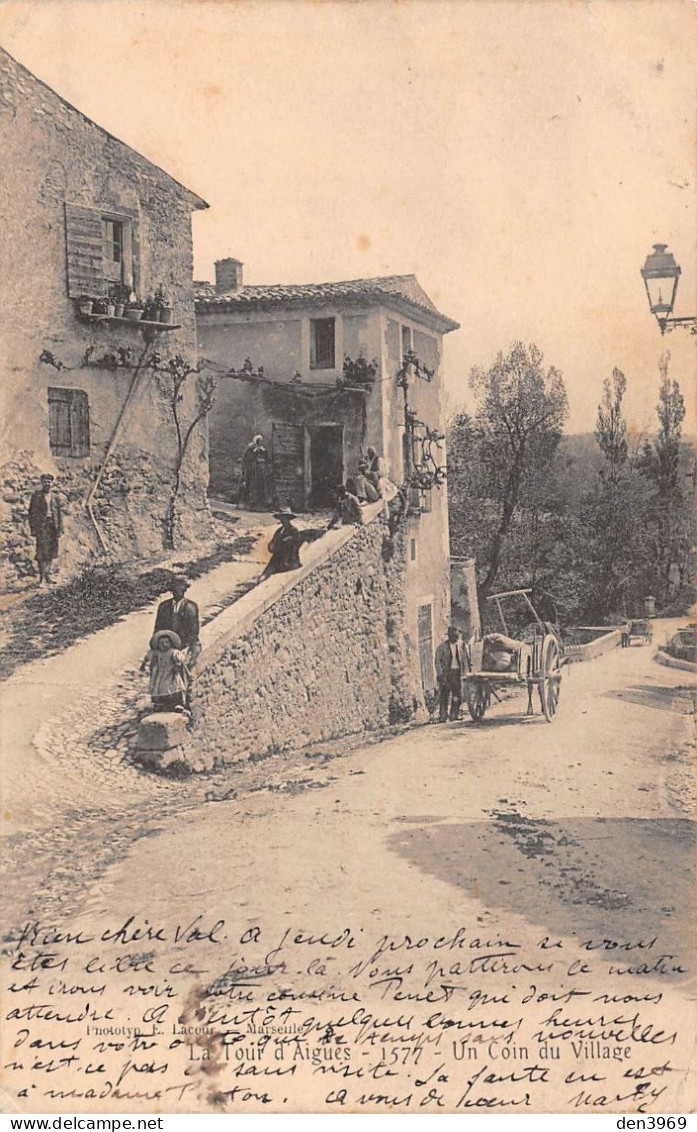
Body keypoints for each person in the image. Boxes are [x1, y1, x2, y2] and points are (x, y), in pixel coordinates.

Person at [154, 575, 201, 668]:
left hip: (187, 644)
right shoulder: (164, 607)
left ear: (185, 590)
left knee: (187, 664)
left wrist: (186, 648)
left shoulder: (191, 607)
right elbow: (158, 629)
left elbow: (194, 632)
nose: (178, 591)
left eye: (181, 588)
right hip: (169, 644)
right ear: (172, 590)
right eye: (175, 588)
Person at [261, 508, 323, 578]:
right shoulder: (279, 531)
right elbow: (272, 545)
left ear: (288, 519)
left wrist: (277, 545)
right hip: (276, 560)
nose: (282, 521)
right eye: (281, 518)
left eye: (284, 518)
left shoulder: (294, 531)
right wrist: (272, 546)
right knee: (263, 577)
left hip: (289, 561)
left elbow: (290, 546)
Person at [139, 629, 190, 712]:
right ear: (158, 644)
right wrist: (143, 665)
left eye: (167, 642)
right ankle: (160, 703)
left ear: (171, 643)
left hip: (170, 673)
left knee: (174, 687)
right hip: (160, 673)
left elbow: (180, 658)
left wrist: (179, 661)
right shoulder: (157, 653)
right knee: (159, 688)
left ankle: (177, 703)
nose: (164, 645)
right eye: (161, 643)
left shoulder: (173, 652)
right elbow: (148, 657)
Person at [28, 473, 63, 585]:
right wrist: (33, 528)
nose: (47, 484)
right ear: (41, 483)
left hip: (53, 526)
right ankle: (41, 578)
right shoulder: (36, 496)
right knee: (42, 552)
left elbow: (59, 514)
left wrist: (60, 529)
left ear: (52, 483)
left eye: (49, 482)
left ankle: (47, 575)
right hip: (41, 527)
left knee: (51, 551)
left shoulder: (56, 497)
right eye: (45, 482)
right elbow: (31, 513)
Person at [435, 626, 464, 722]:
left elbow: (466, 659)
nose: (456, 638)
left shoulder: (461, 646)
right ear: (449, 636)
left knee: (457, 695)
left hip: (457, 673)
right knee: (444, 695)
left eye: (457, 636)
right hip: (446, 674)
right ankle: (443, 715)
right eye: (453, 636)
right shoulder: (442, 647)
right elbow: (437, 661)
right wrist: (440, 674)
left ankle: (454, 714)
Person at [239, 434, 271, 510]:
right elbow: (247, 460)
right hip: (252, 472)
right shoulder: (250, 449)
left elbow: (267, 459)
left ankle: (261, 504)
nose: (260, 443)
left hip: (261, 472)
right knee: (251, 487)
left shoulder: (263, 450)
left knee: (261, 487)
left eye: (261, 441)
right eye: (259, 441)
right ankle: (250, 504)